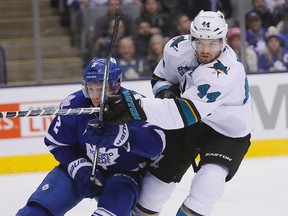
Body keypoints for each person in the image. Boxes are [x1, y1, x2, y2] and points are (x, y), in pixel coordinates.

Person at [103, 10, 253, 216]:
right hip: (189, 122)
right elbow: (160, 78)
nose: (205, 50)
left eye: (213, 43)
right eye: (199, 42)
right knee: (153, 188)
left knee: (207, 187)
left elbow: (184, 113)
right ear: (191, 38)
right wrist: (166, 94)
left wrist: (135, 107)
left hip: (227, 131)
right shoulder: (177, 48)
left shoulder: (226, 72)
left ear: (223, 40)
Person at [16, 57, 165, 216]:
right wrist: (77, 165)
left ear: (116, 85)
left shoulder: (136, 105)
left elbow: (157, 144)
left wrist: (125, 136)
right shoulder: (74, 104)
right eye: (90, 89)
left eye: (101, 89)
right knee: (33, 212)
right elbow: (57, 143)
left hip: (125, 174)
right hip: (81, 167)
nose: (94, 96)